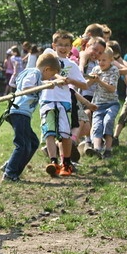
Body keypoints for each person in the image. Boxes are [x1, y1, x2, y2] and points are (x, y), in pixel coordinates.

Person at [1, 53, 62, 181]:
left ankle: (11, 165)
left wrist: (51, 82)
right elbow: (26, 87)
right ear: (46, 69)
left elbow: (38, 83)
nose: (50, 78)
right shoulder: (34, 73)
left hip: (22, 114)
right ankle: (9, 173)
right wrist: (44, 86)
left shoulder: (37, 76)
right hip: (19, 112)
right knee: (22, 145)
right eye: (50, 75)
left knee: (33, 143)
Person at [40, 31, 87, 177]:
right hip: (48, 100)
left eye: (67, 45)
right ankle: (53, 162)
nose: (63, 48)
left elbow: (84, 85)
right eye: (60, 44)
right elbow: (45, 67)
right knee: (49, 132)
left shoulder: (71, 65)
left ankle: (66, 164)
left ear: (71, 47)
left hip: (65, 102)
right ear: (54, 45)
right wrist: (57, 76)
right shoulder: (48, 56)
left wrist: (70, 81)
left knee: (65, 134)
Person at [86, 48, 120, 158]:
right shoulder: (96, 69)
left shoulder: (114, 70)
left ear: (111, 60)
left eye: (104, 60)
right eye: (99, 60)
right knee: (97, 126)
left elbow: (111, 88)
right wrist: (91, 79)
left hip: (112, 103)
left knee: (108, 121)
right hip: (98, 104)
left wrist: (99, 80)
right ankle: (97, 149)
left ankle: (108, 149)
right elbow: (86, 85)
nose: (101, 63)